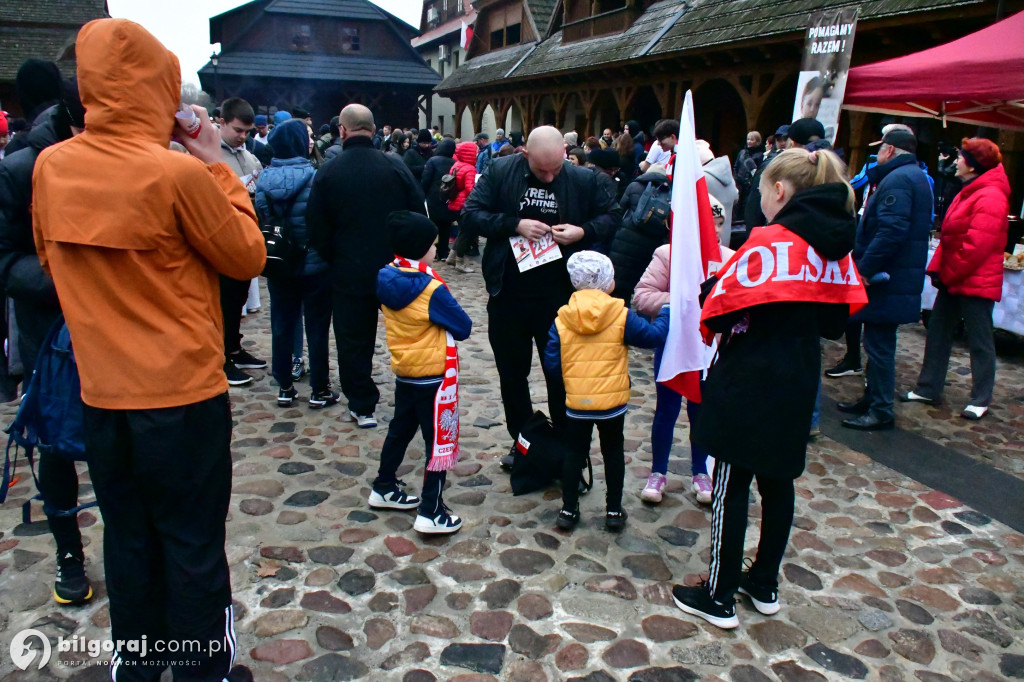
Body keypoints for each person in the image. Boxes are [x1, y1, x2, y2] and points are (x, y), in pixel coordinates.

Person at [32, 18, 265, 680]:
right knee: (192, 541)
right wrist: (215, 158)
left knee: (128, 537)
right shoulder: (176, 175)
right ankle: (200, 669)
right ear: (160, 89)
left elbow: (50, 260)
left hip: (104, 394)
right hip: (183, 393)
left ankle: (136, 664)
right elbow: (245, 255)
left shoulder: (52, 168)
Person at [673, 147, 865, 629]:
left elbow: (720, 309)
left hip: (750, 376)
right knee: (779, 482)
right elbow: (832, 321)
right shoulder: (836, 244)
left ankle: (717, 594)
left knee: (731, 482)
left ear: (779, 191)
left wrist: (713, 287)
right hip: (799, 376)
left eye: (761, 192)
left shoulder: (770, 241)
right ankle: (764, 583)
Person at [460, 126, 619, 464]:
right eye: (540, 170)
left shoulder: (583, 179)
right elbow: (470, 214)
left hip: (561, 297)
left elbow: (612, 216)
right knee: (512, 375)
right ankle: (524, 445)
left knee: (561, 377)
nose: (548, 177)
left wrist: (583, 231)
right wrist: (514, 224)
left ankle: (567, 450)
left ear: (565, 150)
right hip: (509, 293)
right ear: (524, 154)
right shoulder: (501, 171)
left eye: (555, 169)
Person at [0, 78, 90, 604]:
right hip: (50, 333)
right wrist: (69, 280)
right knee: (57, 450)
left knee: (119, 446)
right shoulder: (20, 169)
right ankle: (69, 553)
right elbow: (6, 260)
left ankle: (134, 547)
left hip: (115, 331)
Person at [307, 104, 426, 428]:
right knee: (410, 336)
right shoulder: (395, 166)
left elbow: (315, 227)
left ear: (342, 131)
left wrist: (336, 256)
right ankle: (415, 399)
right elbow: (419, 216)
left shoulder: (328, 172)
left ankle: (362, 404)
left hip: (349, 270)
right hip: (395, 268)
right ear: (373, 130)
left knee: (353, 340)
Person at [543, 251, 669, 531]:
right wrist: (666, 313)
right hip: (613, 402)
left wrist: (572, 381)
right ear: (607, 283)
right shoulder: (620, 315)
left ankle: (568, 509)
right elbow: (653, 337)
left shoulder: (562, 318)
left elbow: (551, 363)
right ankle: (613, 510)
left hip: (577, 402)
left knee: (574, 452)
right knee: (613, 451)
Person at [372, 211, 472, 534]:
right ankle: (431, 510)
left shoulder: (386, 275)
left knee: (400, 430)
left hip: (406, 372)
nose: (436, 248)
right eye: (432, 244)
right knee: (438, 444)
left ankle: (383, 485)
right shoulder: (430, 288)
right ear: (422, 249)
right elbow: (463, 326)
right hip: (433, 376)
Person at [903, 138, 1010, 420]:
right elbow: (954, 238)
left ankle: (981, 397)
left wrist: (949, 273)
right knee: (938, 331)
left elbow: (977, 246)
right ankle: (929, 387)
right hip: (957, 276)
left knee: (979, 340)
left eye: (961, 157)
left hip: (974, 280)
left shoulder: (990, 196)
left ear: (973, 166)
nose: (955, 160)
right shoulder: (971, 190)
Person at [632, 197, 726, 505]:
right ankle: (658, 472)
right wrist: (681, 301)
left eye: (719, 225)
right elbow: (642, 296)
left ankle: (701, 471)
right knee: (666, 411)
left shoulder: (730, 258)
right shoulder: (668, 255)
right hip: (673, 345)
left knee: (702, 411)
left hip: (709, 350)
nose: (714, 231)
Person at [838, 128, 932, 431]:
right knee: (876, 342)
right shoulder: (909, 176)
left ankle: (880, 408)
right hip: (894, 277)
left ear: (890, 150)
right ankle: (872, 398)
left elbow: (891, 231)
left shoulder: (899, 180)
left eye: (880, 149)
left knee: (879, 346)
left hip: (887, 279)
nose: (876, 154)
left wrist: (864, 269)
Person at [253, 119, 337, 409]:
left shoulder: (263, 178)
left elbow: (262, 218)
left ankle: (285, 386)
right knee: (316, 326)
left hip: (280, 262)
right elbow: (324, 221)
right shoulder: (317, 176)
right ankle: (319, 389)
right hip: (314, 262)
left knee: (281, 323)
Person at [218, 97, 267, 386]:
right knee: (222, 301)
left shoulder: (250, 157)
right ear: (222, 122)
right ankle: (221, 357)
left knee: (239, 297)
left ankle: (235, 347)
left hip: (245, 237)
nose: (242, 136)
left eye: (247, 132)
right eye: (237, 130)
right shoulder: (209, 156)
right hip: (222, 238)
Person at [608, 163, 670, 304]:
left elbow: (620, 209)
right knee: (642, 284)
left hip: (625, 240)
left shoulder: (634, 186)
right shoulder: (669, 192)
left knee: (619, 285)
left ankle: (619, 317)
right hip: (651, 242)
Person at [443, 140, 479, 273]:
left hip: (454, 202)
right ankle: (460, 262)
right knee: (466, 233)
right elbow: (470, 189)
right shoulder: (470, 168)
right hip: (464, 204)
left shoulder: (456, 165)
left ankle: (451, 257)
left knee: (462, 232)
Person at [421, 137, 457, 261]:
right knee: (446, 226)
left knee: (434, 224)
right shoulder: (454, 162)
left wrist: (422, 194)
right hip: (448, 198)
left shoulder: (433, 161)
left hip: (434, 197)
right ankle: (443, 251)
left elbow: (426, 179)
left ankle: (434, 250)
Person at [698, 140, 739, 245]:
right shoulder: (728, 176)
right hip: (725, 235)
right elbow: (736, 198)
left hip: (708, 240)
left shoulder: (702, 178)